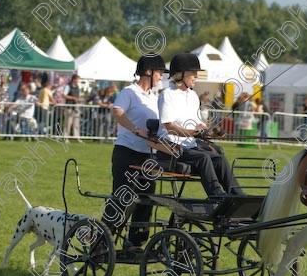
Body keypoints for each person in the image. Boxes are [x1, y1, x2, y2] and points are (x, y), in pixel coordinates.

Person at [102, 54, 169, 252]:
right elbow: (117, 112)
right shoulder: (129, 92)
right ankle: (101, 241)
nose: (161, 77)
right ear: (148, 72)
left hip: (148, 156)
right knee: (122, 199)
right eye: (159, 73)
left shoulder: (154, 98)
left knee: (146, 201)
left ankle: (134, 243)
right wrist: (134, 129)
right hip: (127, 152)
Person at [156, 52, 241, 197]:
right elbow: (169, 127)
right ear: (180, 74)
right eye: (193, 73)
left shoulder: (193, 95)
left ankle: (238, 197)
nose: (196, 76)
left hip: (190, 147)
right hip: (171, 148)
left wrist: (211, 131)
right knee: (203, 158)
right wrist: (194, 133)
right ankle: (218, 196)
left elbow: (199, 124)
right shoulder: (167, 95)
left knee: (219, 159)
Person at [63, 74, 83, 143]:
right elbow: (64, 95)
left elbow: (79, 96)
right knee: (68, 123)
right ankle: (66, 138)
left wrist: (79, 99)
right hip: (69, 107)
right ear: (74, 79)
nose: (78, 81)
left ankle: (77, 137)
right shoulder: (68, 86)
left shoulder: (78, 87)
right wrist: (73, 98)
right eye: (77, 79)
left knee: (76, 123)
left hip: (76, 107)